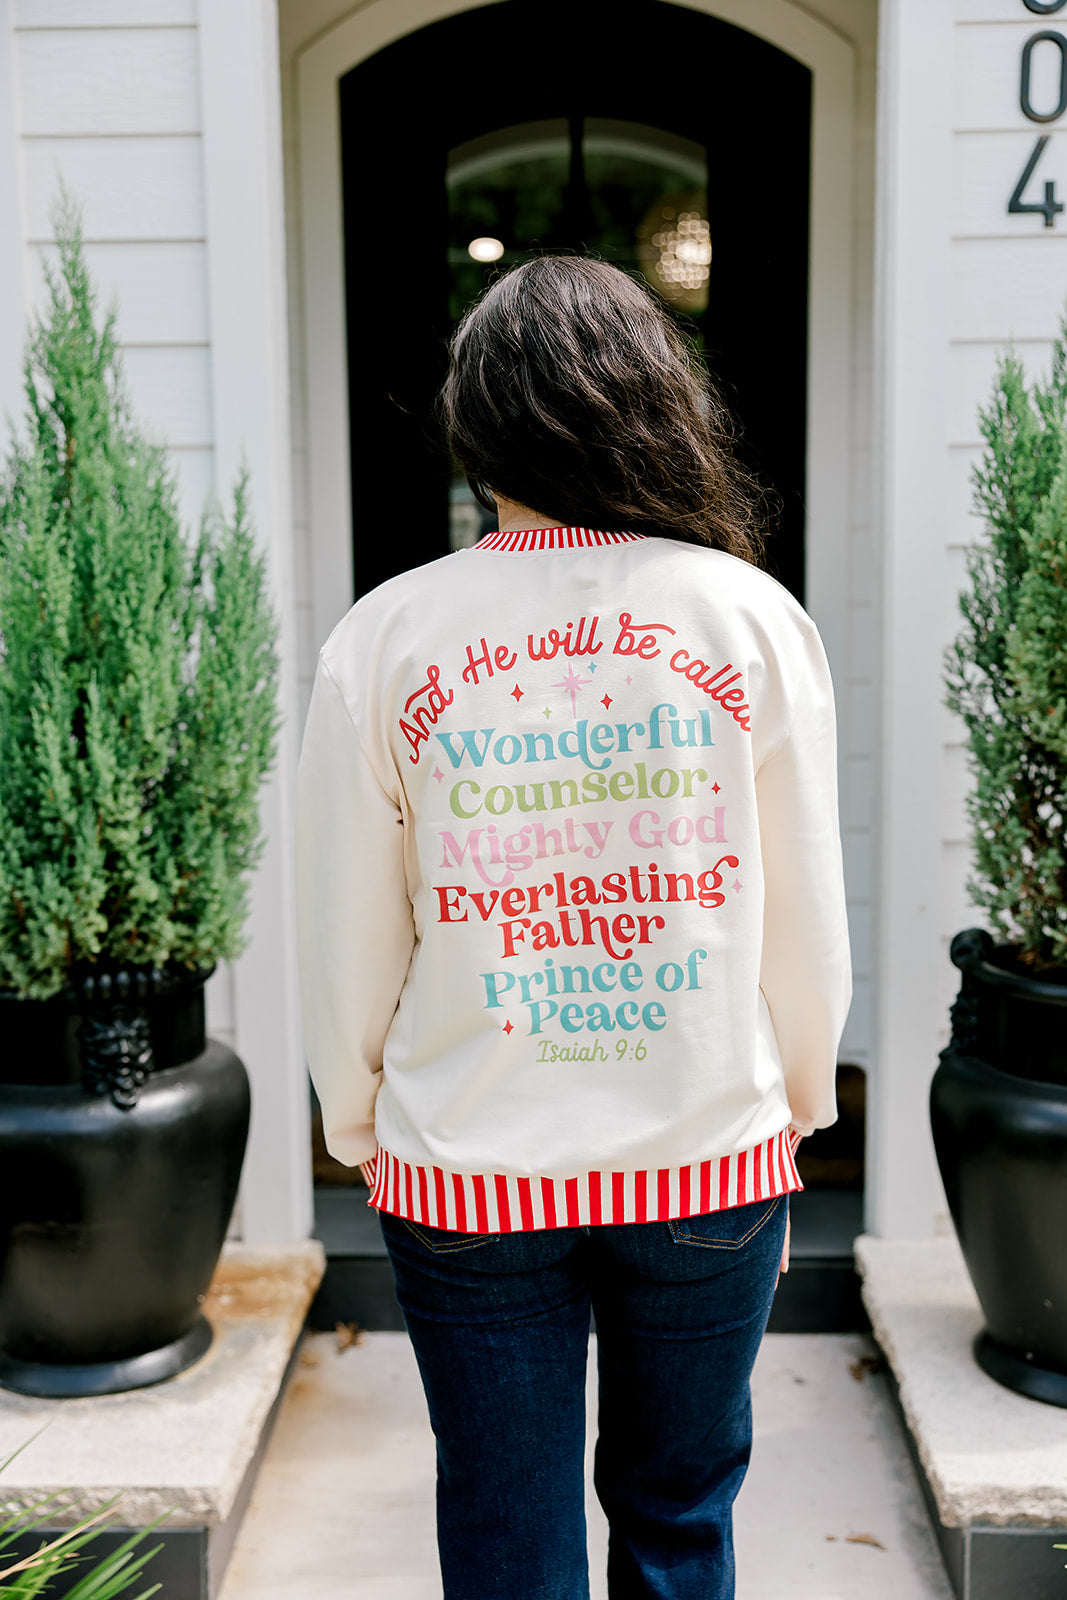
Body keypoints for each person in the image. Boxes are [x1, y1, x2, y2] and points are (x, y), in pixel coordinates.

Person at [295, 255, 852, 1600]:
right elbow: (803, 907)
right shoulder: (748, 618)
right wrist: (798, 1089)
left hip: (470, 1165)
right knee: (678, 1515)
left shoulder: (387, 640)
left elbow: (348, 933)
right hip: (707, 1160)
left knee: (503, 1529)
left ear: (476, 426)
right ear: (649, 408)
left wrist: (355, 1112)